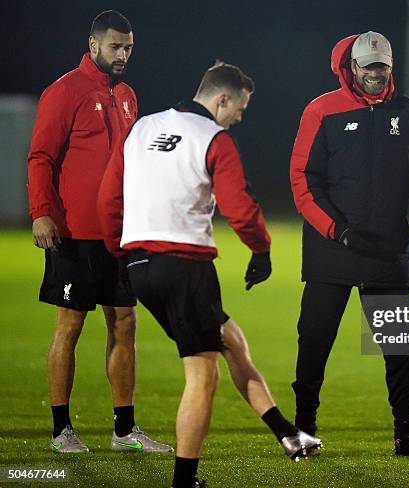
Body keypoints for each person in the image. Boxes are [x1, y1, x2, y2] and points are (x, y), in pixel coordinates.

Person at [98, 62, 321, 488]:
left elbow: (109, 197)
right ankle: (184, 482)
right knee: (203, 375)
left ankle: (287, 434)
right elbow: (240, 208)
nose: (240, 117)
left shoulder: (141, 128)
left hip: (140, 266)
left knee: (231, 340)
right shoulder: (213, 139)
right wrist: (261, 250)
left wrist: (120, 252)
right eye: (240, 107)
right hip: (186, 267)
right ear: (222, 99)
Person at [289, 31, 409, 456]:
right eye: (368, 66)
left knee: (397, 347)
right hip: (331, 250)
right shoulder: (321, 110)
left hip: (385, 251)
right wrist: (335, 229)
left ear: (391, 68)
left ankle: (404, 434)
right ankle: (303, 430)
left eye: (382, 66)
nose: (375, 74)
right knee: (315, 340)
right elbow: (303, 180)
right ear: (351, 68)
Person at [27, 10, 171, 453]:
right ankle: (60, 431)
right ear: (93, 46)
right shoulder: (64, 91)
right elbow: (40, 157)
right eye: (115, 47)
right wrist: (41, 212)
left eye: (128, 47)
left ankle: (124, 431)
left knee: (124, 323)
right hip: (73, 233)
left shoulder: (128, 95)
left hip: (119, 232)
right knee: (69, 326)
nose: (123, 54)